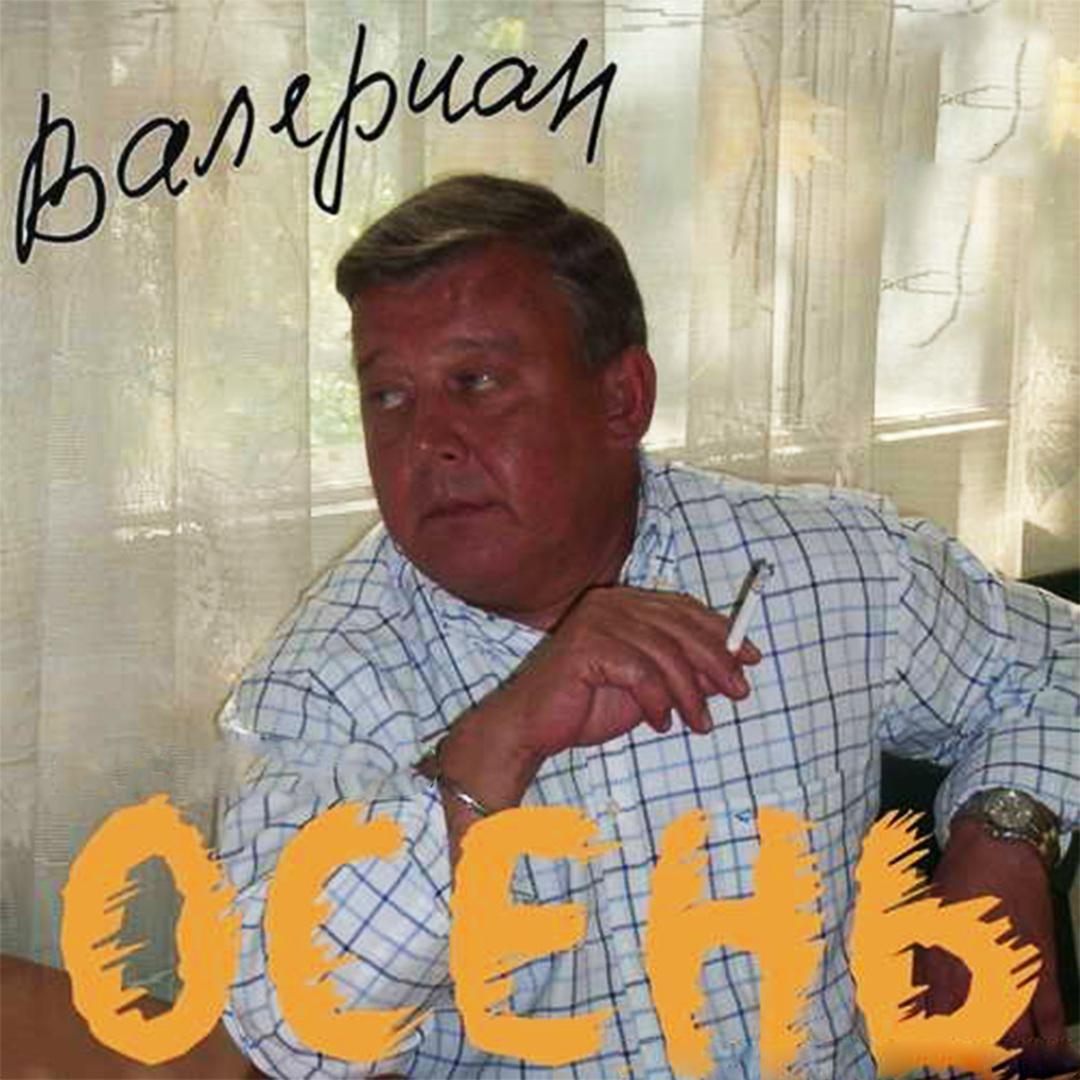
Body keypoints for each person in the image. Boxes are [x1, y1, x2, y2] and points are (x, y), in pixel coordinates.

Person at [217, 174, 1078, 1079]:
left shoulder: (825, 564)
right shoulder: (320, 687)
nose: (428, 440)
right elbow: (280, 1032)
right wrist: (496, 745)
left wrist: (1003, 837)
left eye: (477, 382)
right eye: (389, 397)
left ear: (622, 397)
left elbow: (1056, 665)